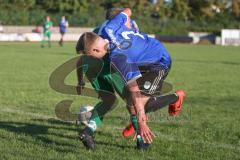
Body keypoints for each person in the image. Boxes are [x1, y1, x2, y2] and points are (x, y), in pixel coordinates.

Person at [76, 8, 186, 150]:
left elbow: (134, 89)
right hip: (141, 60)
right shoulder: (110, 28)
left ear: (96, 50)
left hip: (159, 62)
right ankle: (140, 137)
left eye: (91, 56)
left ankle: (176, 97)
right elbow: (128, 10)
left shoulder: (118, 56)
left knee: (139, 102)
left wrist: (141, 122)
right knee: (132, 101)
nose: (91, 59)